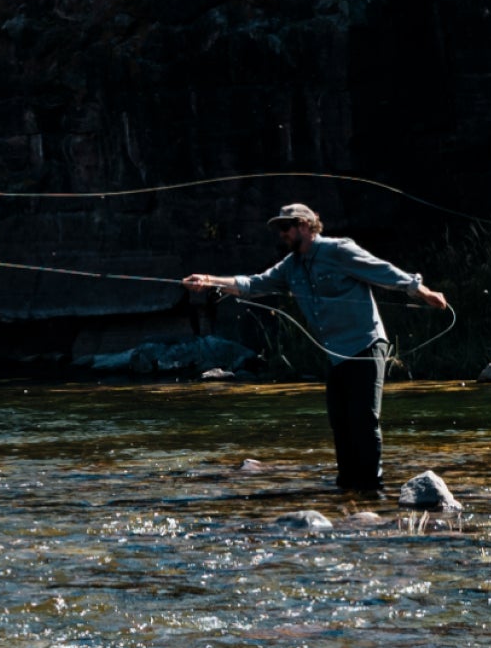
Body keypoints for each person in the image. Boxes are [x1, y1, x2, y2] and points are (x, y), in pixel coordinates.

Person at [180, 203, 450, 492]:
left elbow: (381, 270)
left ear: (306, 226)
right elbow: (253, 284)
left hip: (366, 344)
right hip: (336, 355)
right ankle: (347, 486)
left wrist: (420, 290)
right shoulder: (290, 266)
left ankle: (372, 487)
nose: (282, 234)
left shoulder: (339, 250)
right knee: (340, 421)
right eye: (279, 229)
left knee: (364, 418)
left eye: (286, 227)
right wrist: (209, 281)